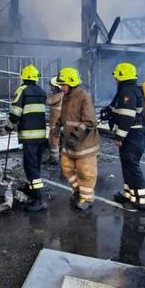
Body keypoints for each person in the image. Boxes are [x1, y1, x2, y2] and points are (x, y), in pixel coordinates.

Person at [56, 67, 101, 211]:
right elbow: (65, 116)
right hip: (69, 143)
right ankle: (77, 191)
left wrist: (76, 137)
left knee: (86, 172)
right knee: (66, 167)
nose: (61, 88)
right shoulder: (66, 97)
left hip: (84, 144)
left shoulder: (83, 97)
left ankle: (87, 198)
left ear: (72, 83)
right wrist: (57, 126)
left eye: (63, 85)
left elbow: (90, 122)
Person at [5, 64, 48, 212]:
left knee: (31, 167)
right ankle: (32, 189)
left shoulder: (22, 90)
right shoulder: (41, 92)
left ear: (22, 77)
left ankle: (39, 199)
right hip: (41, 136)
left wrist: (8, 126)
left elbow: (15, 112)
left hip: (29, 136)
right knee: (35, 165)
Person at [109, 62, 145, 210]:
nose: (115, 80)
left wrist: (119, 137)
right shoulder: (131, 90)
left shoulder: (128, 93)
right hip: (134, 135)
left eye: (116, 77)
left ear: (122, 76)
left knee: (132, 166)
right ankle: (129, 195)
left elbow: (127, 117)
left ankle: (142, 200)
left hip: (132, 135)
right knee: (127, 166)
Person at [46, 77, 64, 165]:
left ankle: (54, 159)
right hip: (61, 124)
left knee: (53, 141)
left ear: (56, 87)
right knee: (60, 142)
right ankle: (61, 158)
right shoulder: (64, 95)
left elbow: (48, 101)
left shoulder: (58, 96)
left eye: (52, 86)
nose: (50, 87)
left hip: (55, 124)